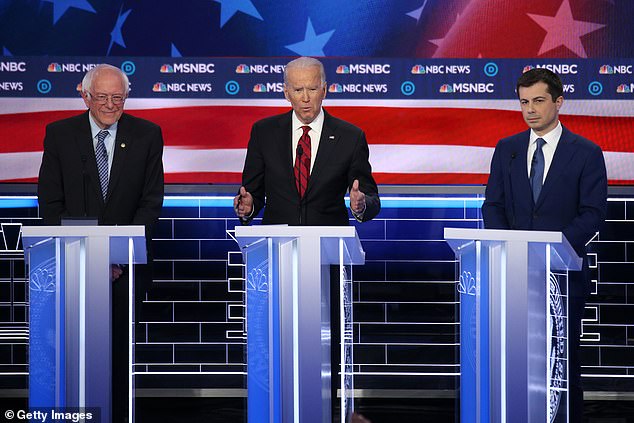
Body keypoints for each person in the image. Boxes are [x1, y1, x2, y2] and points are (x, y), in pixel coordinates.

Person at [234, 56, 380, 422]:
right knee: (275, 337)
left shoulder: (349, 136)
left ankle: (325, 410)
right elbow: (251, 192)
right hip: (275, 253)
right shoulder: (264, 132)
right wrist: (247, 206)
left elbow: (370, 196)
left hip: (326, 254)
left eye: (312, 88)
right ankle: (275, 407)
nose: (305, 97)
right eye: (297, 89)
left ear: (325, 89)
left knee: (323, 341)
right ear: (285, 92)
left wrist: (361, 204)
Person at [37, 63, 164, 422]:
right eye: (103, 97)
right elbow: (50, 203)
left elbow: (151, 201)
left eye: (118, 97)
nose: (111, 105)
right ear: (85, 95)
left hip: (126, 271)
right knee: (71, 353)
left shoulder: (147, 134)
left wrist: (116, 258)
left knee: (118, 354)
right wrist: (89, 259)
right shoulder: (60, 134)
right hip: (72, 268)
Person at [482, 68, 607, 422]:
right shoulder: (507, 149)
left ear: (559, 102)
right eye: (524, 102)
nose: (530, 110)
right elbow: (492, 205)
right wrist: (510, 249)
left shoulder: (585, 152)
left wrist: (550, 250)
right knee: (515, 361)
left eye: (538, 101)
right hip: (514, 276)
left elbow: (594, 213)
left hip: (563, 278)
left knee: (562, 364)